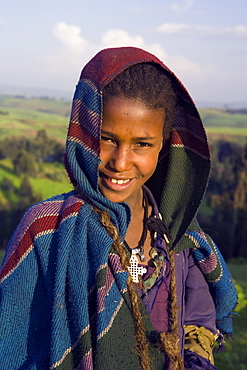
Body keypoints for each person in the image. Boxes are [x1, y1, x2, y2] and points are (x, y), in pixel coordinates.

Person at [0, 47, 237, 370]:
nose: (120, 162)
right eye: (107, 139)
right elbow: (10, 342)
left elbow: (198, 321)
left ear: (164, 144)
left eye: (142, 144)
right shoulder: (46, 230)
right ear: (82, 133)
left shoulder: (179, 233)